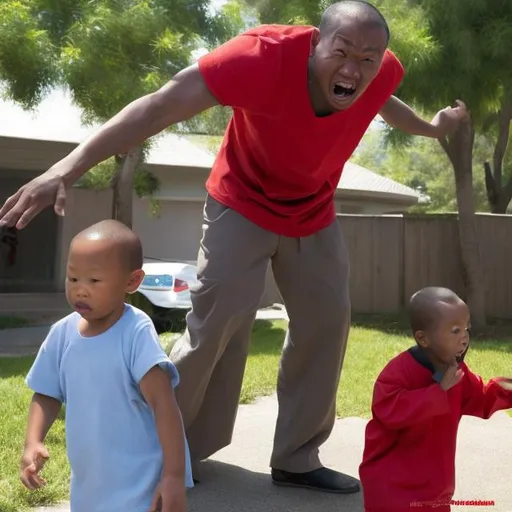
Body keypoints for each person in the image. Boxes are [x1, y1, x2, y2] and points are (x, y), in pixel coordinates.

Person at [1, 0, 469, 494]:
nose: (354, 69)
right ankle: (168, 451)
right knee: (216, 323)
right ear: (314, 45)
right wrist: (64, 169)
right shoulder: (258, 58)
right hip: (241, 201)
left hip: (311, 209)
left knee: (328, 320)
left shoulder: (377, 72)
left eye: (368, 59)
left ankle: (296, 456)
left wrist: (433, 128)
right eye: (342, 52)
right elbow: (160, 103)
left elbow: (379, 96)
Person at [19, 220, 194, 512]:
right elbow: (47, 393)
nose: (80, 290)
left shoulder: (135, 332)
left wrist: (173, 477)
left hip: (141, 485)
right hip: (90, 488)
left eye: (94, 281)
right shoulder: (62, 334)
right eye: (73, 279)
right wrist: (33, 441)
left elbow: (164, 405)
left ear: (131, 281)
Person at [358, 287, 512, 512]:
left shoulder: (456, 371)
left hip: (435, 486)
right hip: (393, 487)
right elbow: (389, 412)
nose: (465, 338)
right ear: (423, 338)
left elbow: (481, 397)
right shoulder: (398, 373)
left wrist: (508, 390)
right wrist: (438, 392)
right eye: (455, 330)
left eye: (467, 328)